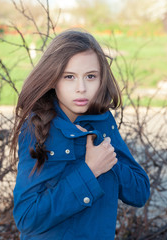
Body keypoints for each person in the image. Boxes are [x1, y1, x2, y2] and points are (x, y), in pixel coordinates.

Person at [11, 29, 150, 240]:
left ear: (101, 79)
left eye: (91, 76)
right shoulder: (38, 127)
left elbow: (139, 192)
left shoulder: (103, 121)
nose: (81, 88)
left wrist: (108, 162)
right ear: (52, 79)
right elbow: (27, 218)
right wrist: (89, 170)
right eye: (69, 77)